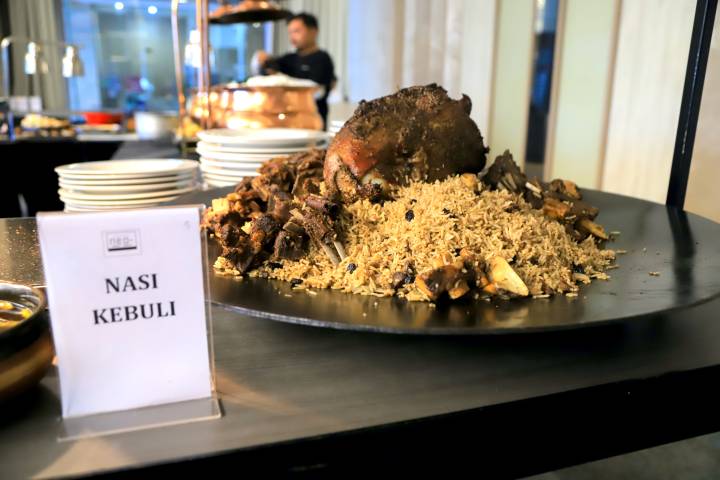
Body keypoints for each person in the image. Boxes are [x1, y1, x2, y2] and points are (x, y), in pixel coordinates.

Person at [255, 12, 336, 129]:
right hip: (287, 125)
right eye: (290, 32)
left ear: (313, 31)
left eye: (297, 31)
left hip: (312, 125)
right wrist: (263, 61)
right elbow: (266, 70)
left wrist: (283, 80)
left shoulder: (322, 59)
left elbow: (318, 91)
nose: (292, 37)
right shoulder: (288, 59)